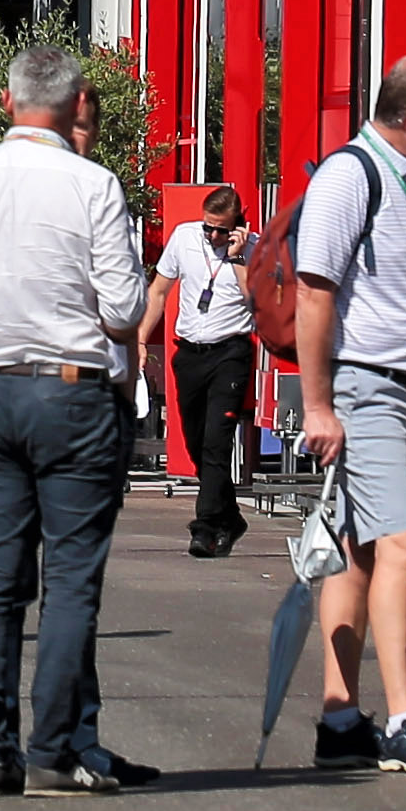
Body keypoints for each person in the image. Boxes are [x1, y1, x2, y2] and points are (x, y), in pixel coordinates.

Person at [0, 43, 152, 796]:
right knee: (72, 576)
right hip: (72, 388)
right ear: (77, 101)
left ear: (9, 104)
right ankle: (54, 749)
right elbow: (122, 310)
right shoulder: (93, 185)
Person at [294, 55, 406, 775]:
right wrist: (318, 406)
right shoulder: (352, 176)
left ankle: (341, 719)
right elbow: (313, 291)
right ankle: (403, 719)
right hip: (366, 391)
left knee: (359, 551)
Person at [143, 182, 257, 557]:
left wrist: (238, 258)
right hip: (190, 353)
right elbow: (159, 291)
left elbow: (255, 301)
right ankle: (230, 517)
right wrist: (140, 340)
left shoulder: (253, 249)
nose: (212, 235)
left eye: (221, 230)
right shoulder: (185, 238)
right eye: (208, 226)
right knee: (195, 441)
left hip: (231, 352)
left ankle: (205, 527)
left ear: (237, 225)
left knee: (216, 441)